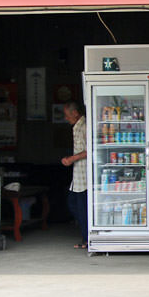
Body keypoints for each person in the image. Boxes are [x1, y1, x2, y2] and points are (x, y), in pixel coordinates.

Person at [61, 101, 88, 248]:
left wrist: (72, 159)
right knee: (73, 204)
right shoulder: (77, 127)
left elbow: (90, 149)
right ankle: (87, 236)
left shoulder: (84, 127)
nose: (65, 118)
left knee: (81, 207)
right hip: (78, 175)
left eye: (67, 115)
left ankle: (87, 239)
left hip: (84, 176)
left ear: (75, 113)